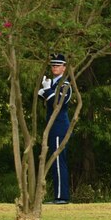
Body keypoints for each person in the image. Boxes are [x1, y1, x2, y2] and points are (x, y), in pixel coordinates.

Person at [37, 53, 72, 204]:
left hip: (59, 126)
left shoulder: (65, 85)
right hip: (51, 126)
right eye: (53, 65)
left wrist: (47, 91)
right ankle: (59, 195)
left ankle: (62, 197)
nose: (55, 68)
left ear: (64, 68)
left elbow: (59, 104)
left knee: (58, 161)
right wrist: (45, 91)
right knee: (55, 161)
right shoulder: (52, 84)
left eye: (58, 65)